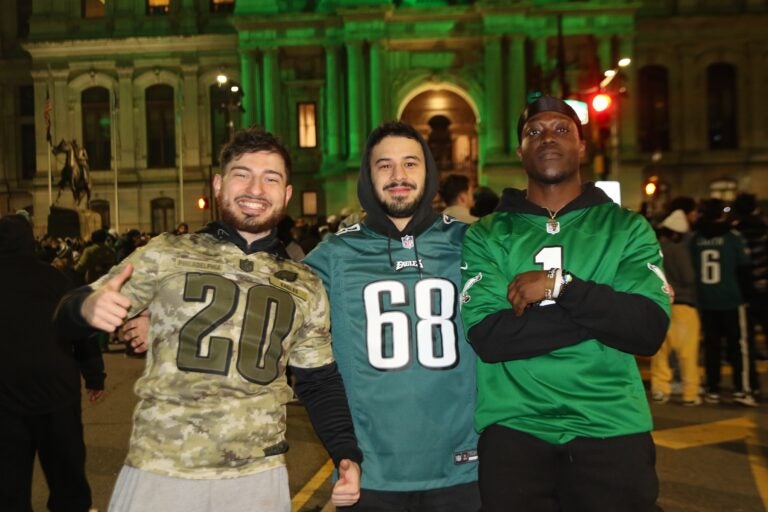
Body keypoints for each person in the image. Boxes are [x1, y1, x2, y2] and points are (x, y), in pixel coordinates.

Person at [55, 128, 362, 512]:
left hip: (257, 478)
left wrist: (345, 453)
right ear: (219, 184)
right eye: (241, 174)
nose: (255, 188)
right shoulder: (167, 253)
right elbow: (65, 316)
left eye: (271, 178)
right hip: (161, 470)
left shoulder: (305, 285)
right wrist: (84, 309)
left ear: (286, 194)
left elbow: (318, 381)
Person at [460, 96, 671, 511]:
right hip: (516, 430)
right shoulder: (487, 234)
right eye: (534, 132)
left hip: (611, 426)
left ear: (581, 146)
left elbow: (646, 330)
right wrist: (602, 309)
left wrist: (561, 288)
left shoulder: (626, 227)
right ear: (520, 150)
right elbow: (491, 337)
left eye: (561, 129)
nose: (547, 138)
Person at [304, 121, 480, 511]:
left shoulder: (469, 243)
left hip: (462, 468)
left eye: (410, 164)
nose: (398, 176)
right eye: (384, 165)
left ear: (428, 172)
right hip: (369, 471)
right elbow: (271, 302)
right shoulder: (335, 254)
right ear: (368, 175)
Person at [0, 214, 105, 512]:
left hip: (5, 395)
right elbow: (81, 331)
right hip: (56, 390)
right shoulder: (56, 278)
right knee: (66, 475)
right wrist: (94, 376)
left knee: (9, 482)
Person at [691, 197, 756, 406]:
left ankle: (712, 388)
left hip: (706, 299)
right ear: (722, 214)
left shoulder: (696, 239)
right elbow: (744, 268)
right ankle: (742, 388)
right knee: (739, 346)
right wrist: (746, 298)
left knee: (711, 346)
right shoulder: (732, 237)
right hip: (731, 297)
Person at [650, 209, 702, 406]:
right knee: (687, 354)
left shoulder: (654, 248)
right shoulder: (679, 250)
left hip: (660, 304)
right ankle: (690, 393)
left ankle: (660, 390)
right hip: (684, 306)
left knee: (661, 352)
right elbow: (688, 277)